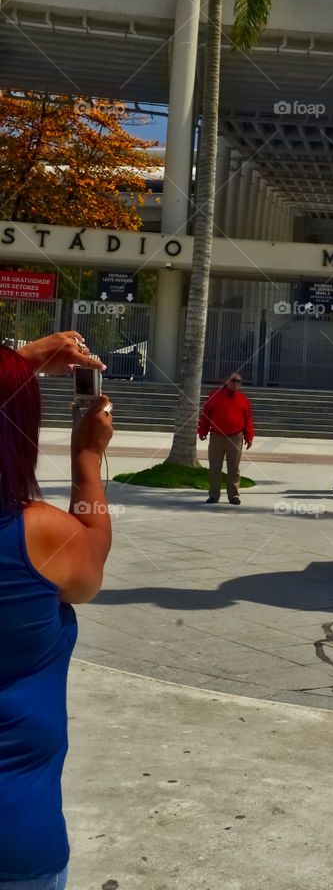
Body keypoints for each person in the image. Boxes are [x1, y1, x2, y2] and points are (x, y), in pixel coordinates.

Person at [0, 331, 113, 889]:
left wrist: (19, 365)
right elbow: (90, 561)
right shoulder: (35, 534)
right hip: (16, 842)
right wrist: (87, 457)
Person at [198, 372, 253, 505]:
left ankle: (233, 495)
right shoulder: (215, 396)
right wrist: (202, 430)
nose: (235, 383)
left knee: (233, 468)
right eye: (233, 380)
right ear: (226, 381)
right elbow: (206, 414)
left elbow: (248, 419)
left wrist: (249, 436)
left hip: (235, 437)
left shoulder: (243, 399)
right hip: (217, 436)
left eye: (238, 382)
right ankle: (213, 495)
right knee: (215, 467)